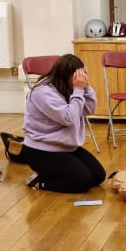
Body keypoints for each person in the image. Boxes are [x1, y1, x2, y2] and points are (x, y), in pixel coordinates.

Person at [22, 54, 105, 193]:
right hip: (41, 151)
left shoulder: (67, 86)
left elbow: (88, 110)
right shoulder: (43, 92)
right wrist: (78, 90)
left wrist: (85, 86)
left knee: (98, 176)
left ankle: (54, 173)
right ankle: (41, 182)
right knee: (82, 183)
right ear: (65, 75)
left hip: (66, 147)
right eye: (77, 76)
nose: (79, 79)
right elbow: (68, 118)